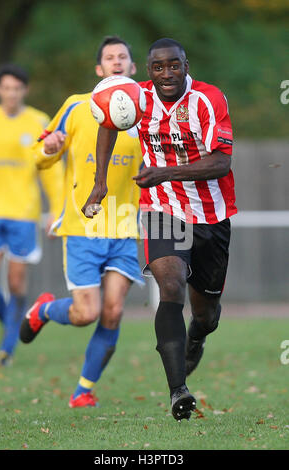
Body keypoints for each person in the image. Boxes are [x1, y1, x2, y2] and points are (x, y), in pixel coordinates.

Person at [82, 38, 237, 421]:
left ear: (186, 64)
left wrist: (164, 172)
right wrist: (100, 181)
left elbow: (221, 162)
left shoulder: (208, 99)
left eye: (174, 65)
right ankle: (178, 391)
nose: (166, 74)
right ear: (147, 70)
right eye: (158, 67)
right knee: (169, 285)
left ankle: (196, 337)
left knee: (207, 314)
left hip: (211, 215)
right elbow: (108, 122)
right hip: (162, 207)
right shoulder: (137, 97)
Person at [20, 36, 143, 408]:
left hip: (123, 228)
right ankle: (43, 310)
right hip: (83, 227)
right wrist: (49, 147)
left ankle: (83, 391)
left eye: (123, 57)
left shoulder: (147, 112)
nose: (117, 61)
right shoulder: (76, 107)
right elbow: (38, 157)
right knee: (85, 314)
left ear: (133, 68)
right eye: (109, 57)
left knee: (114, 310)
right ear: (98, 70)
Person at [0, 64, 63, 366]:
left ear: (24, 91)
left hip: (23, 214)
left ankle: (7, 346)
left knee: (17, 284)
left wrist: (56, 210)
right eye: (6, 88)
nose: (11, 93)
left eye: (17, 88)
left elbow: (52, 170)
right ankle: (13, 327)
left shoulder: (38, 122)